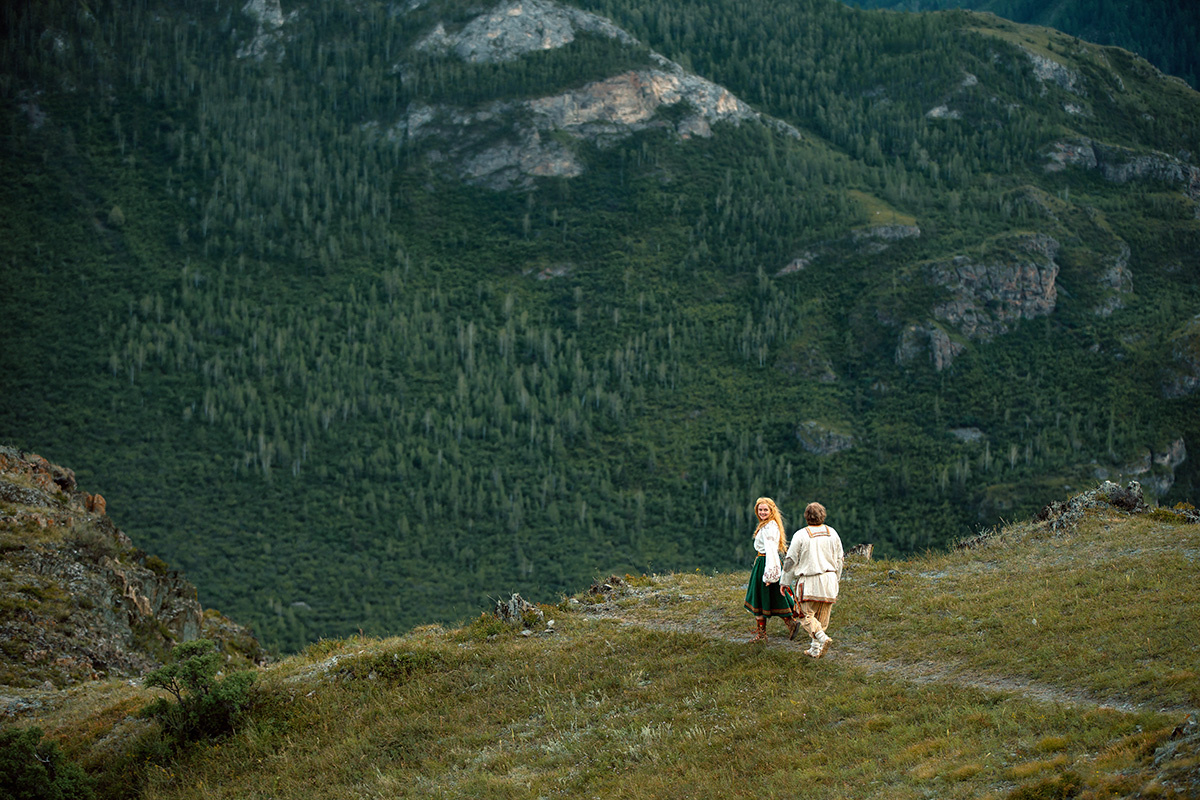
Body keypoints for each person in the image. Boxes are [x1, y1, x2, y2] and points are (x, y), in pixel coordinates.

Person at [782, 501, 843, 658]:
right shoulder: (833, 533)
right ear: (823, 515)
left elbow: (790, 560)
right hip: (830, 580)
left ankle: (823, 639)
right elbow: (840, 559)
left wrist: (784, 582)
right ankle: (815, 649)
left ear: (806, 516)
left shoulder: (801, 535)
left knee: (804, 615)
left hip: (810, 581)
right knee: (822, 618)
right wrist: (836, 579)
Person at [742, 497, 800, 642]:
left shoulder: (769, 528)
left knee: (760, 598)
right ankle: (790, 624)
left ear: (771, 510)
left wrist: (770, 575)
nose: (762, 512)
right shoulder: (768, 524)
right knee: (775, 596)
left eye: (765, 510)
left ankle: (763, 635)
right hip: (765, 563)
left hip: (767, 564)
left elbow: (771, 551)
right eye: (760, 510)